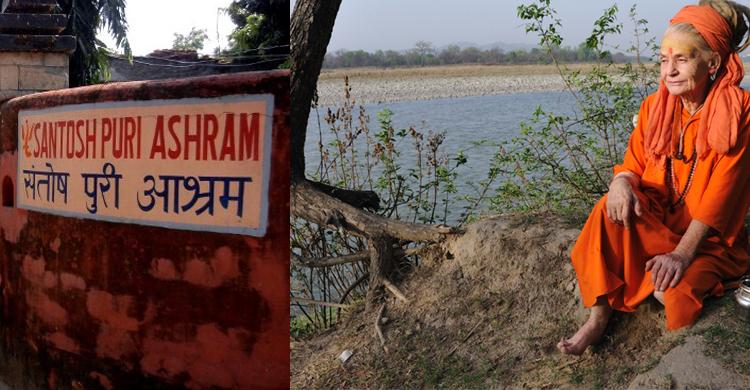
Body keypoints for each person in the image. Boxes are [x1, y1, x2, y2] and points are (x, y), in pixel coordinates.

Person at [558, 0, 750, 355]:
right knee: (606, 209)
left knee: (670, 293)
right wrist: (619, 183)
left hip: (706, 240)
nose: (669, 71)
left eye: (682, 59)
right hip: (657, 221)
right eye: (664, 60)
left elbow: (722, 196)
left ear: (712, 63)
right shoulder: (654, 107)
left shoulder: (740, 112)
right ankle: (598, 318)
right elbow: (632, 164)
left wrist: (680, 255)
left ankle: (693, 284)